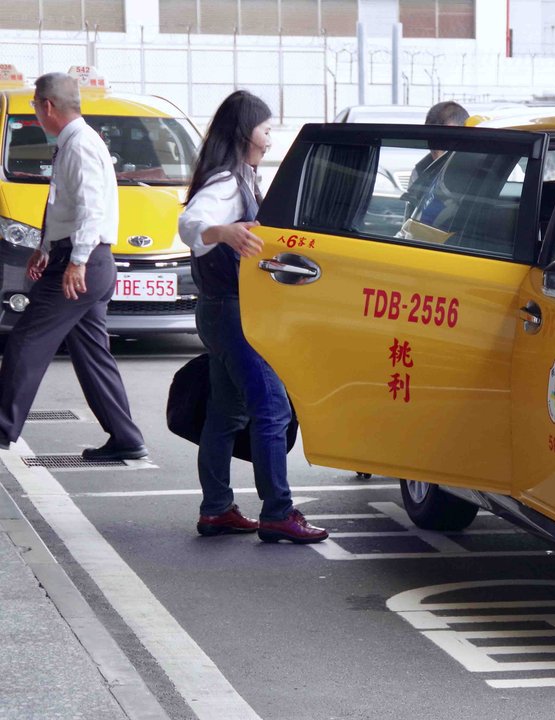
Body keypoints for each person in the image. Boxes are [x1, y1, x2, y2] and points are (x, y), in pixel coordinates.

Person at [178, 90, 327, 544]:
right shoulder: (226, 181)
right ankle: (278, 512)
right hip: (231, 312)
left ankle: (217, 509)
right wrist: (223, 231)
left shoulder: (241, 176)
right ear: (246, 133)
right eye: (265, 129)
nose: (269, 138)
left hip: (223, 310)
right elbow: (189, 224)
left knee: (227, 412)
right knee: (272, 407)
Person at [0, 72, 146, 460]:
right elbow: (64, 206)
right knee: (92, 354)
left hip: (83, 262)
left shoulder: (80, 145)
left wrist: (76, 261)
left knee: (26, 342)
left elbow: (91, 209)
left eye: (34, 105)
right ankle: (126, 438)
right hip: (83, 260)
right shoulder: (74, 142)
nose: (34, 111)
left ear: (47, 106)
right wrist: (46, 247)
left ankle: (2, 428)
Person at [402, 100, 469, 217]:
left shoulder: (477, 169)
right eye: (433, 146)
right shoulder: (421, 172)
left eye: (446, 145)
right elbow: (409, 221)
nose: (439, 156)